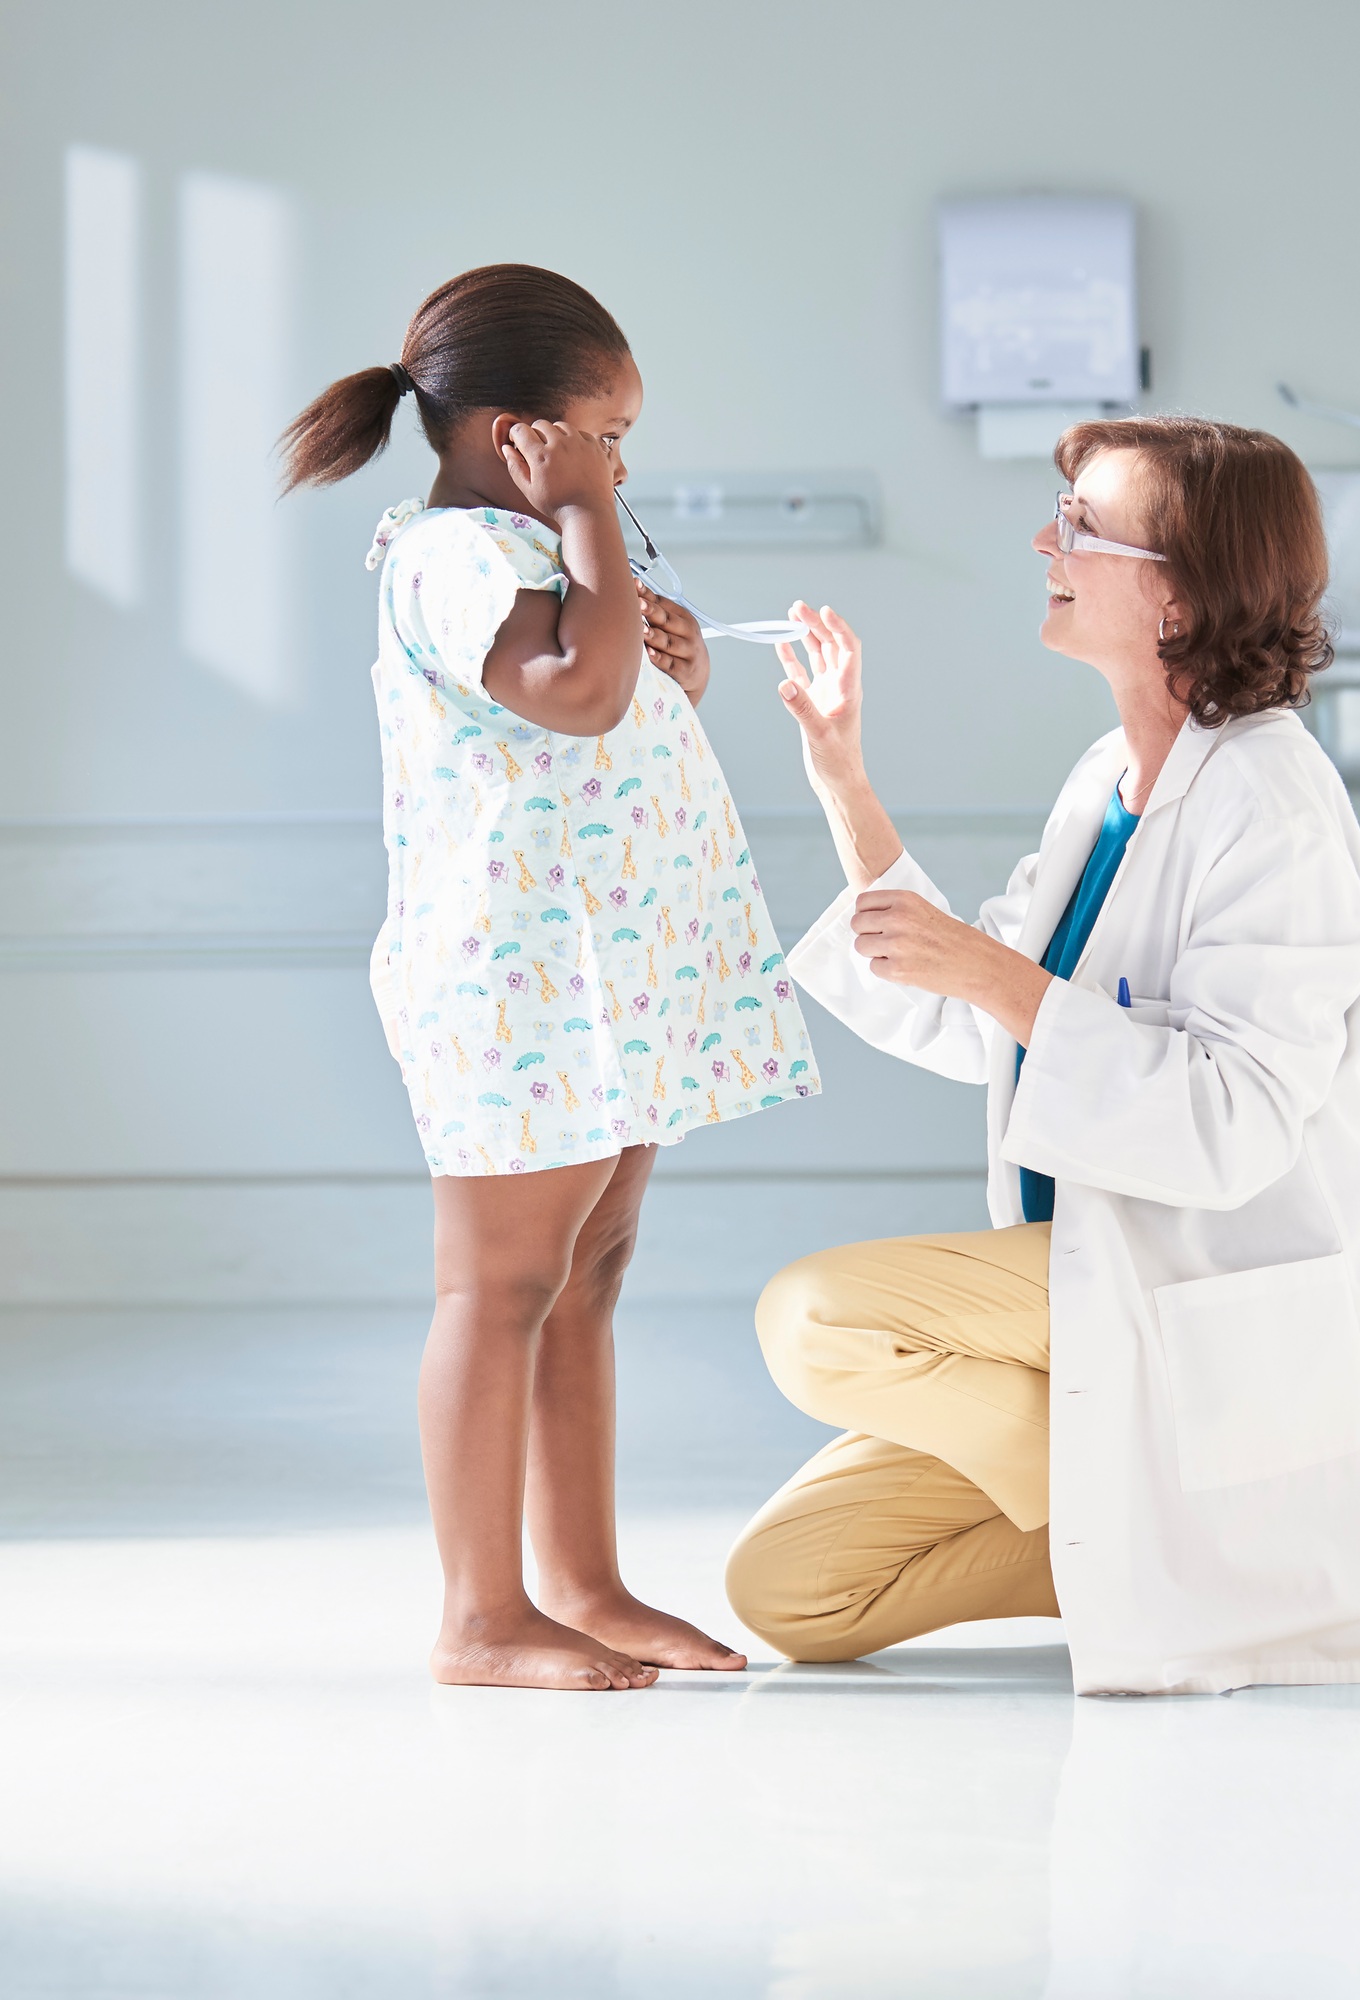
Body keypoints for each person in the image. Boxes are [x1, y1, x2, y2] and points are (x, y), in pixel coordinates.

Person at [725, 417, 1360, 1697]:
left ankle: (1175, 1517)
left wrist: (998, 976)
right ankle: (1151, 1534)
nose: (1043, 541)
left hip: (1207, 1271)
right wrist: (844, 776)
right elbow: (973, 1012)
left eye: (1081, 526)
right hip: (1098, 1276)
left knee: (816, 1316)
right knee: (790, 1586)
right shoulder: (1105, 781)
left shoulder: (1272, 803)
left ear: (1179, 591)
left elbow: (1232, 1125)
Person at [280, 264, 819, 1690]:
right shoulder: (450, 553)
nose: (618, 464)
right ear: (519, 430)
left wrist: (675, 659)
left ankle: (581, 1583)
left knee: (587, 1277)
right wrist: (586, 518)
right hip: (516, 993)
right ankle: (479, 1615)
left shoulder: (540, 554)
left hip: (607, 983)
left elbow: (607, 687)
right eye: (602, 436)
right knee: (501, 1287)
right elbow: (573, 694)